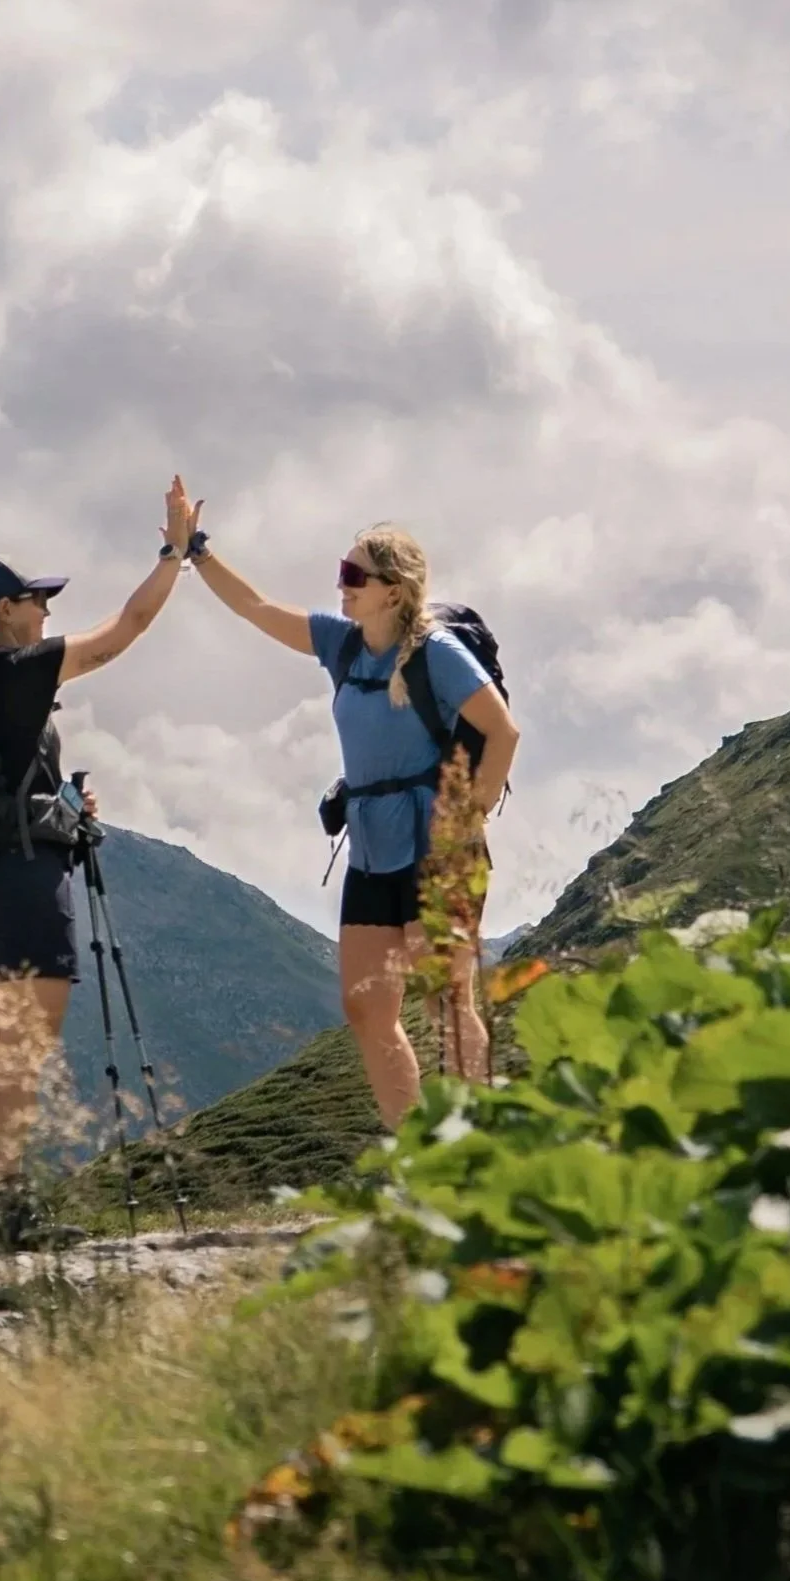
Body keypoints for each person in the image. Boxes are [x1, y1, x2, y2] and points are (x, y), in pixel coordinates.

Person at [177, 482, 519, 1126]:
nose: (342, 584)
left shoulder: (437, 653)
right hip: (371, 851)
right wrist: (195, 550)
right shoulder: (345, 644)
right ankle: (412, 1151)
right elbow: (255, 607)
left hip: (435, 851)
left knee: (446, 1000)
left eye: (354, 574)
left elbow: (502, 732)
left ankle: (480, 1145)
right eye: (342, 571)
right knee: (367, 1009)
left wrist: (468, 819)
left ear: (394, 589)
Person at [0, 479, 197, 1251]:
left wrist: (57, 804)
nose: (47, 611)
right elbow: (126, 628)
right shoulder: (17, 670)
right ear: (5, 610)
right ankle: (9, 1216)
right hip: (22, 882)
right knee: (21, 1053)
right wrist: (174, 553)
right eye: (37, 599)